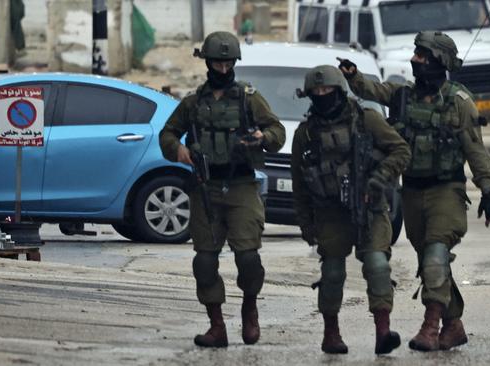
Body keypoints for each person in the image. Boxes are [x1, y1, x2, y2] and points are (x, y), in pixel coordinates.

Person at [338, 31, 490, 351]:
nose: (414, 60)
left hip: (446, 191)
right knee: (429, 260)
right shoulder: (402, 96)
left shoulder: (459, 102)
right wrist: (353, 76)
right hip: (411, 192)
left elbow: (475, 148)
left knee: (437, 257)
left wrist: (487, 188)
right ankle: (453, 325)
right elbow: (374, 89)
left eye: (422, 56)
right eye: (415, 54)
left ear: (438, 61)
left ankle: (430, 327)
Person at [159, 31, 285, 348]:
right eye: (218, 63)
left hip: (241, 185)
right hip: (205, 187)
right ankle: (217, 325)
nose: (224, 70)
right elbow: (167, 133)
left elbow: (277, 131)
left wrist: (261, 139)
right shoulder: (193, 102)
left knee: (248, 259)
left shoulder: (248, 98)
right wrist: (178, 151)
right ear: (207, 63)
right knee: (204, 261)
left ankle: (249, 307)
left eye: (229, 63)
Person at [291, 65, 411, 354]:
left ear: (339, 91)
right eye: (316, 92)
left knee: (378, 266)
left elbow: (401, 151)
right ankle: (331, 332)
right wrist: (306, 225)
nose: (322, 96)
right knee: (332, 273)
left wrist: (378, 180)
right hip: (330, 213)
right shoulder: (306, 133)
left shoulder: (366, 119)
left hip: (370, 208)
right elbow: (299, 183)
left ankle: (383, 331)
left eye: (327, 91)